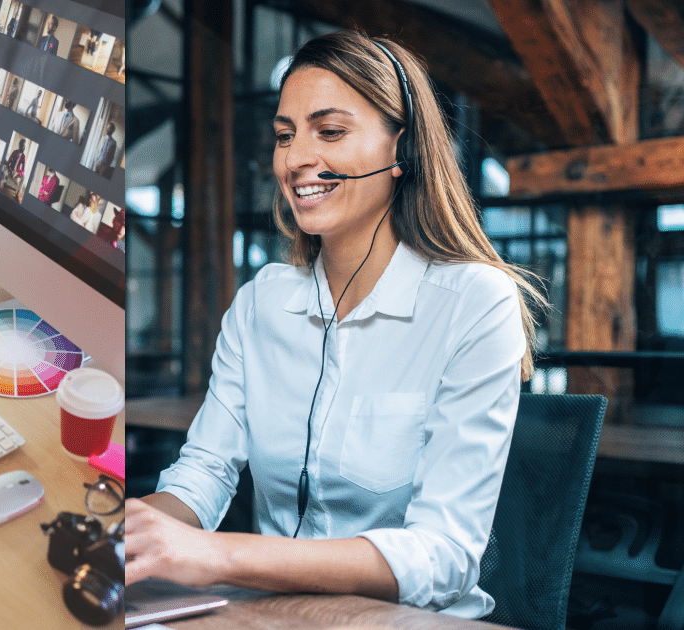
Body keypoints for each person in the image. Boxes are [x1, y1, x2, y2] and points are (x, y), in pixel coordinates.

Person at [125, 31, 546, 620]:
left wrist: (217, 555)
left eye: (330, 131)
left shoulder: (475, 303)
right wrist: (134, 535)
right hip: (268, 612)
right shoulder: (261, 304)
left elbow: (443, 553)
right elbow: (203, 474)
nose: (297, 157)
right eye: (284, 135)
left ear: (404, 150)